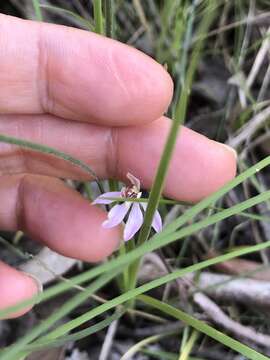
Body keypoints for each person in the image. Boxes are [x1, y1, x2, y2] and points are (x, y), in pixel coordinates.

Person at [0, 14, 236, 319]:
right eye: (130, 189)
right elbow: (112, 207)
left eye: (132, 190)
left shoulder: (135, 206)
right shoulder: (122, 198)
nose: (130, 190)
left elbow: (130, 216)